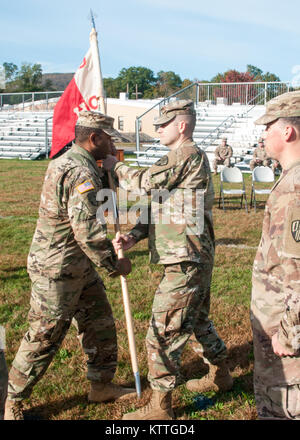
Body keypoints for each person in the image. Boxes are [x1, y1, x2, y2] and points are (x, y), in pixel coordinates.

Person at [103, 99, 233, 420]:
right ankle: (222, 375)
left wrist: (114, 166)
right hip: (190, 255)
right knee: (197, 320)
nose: (158, 128)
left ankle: (160, 408)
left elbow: (146, 182)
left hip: (185, 258)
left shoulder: (187, 155)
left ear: (182, 126)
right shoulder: (177, 160)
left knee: (162, 332)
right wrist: (133, 235)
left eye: (163, 124)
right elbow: (158, 204)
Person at [4, 110, 134, 420]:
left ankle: (100, 385)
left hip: (77, 266)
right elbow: (87, 232)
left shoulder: (67, 162)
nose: (112, 144)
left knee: (99, 323)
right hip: (59, 269)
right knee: (45, 335)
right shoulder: (80, 172)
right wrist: (116, 265)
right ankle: (12, 400)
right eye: (109, 139)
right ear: (94, 138)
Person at [251, 91, 300, 420]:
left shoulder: (294, 189)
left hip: (285, 338)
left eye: (268, 126)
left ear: (287, 131)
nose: (263, 133)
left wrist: (289, 331)